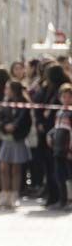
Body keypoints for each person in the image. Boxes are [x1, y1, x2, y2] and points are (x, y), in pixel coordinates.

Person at [0, 80, 32, 210]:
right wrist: (4, 127)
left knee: (16, 168)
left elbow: (25, 121)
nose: (6, 91)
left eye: (8, 88)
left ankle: (14, 195)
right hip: (6, 139)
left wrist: (14, 127)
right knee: (3, 167)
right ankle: (5, 193)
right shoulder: (6, 103)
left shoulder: (24, 104)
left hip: (17, 139)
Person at [47, 82, 72, 210]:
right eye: (64, 97)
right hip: (58, 150)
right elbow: (57, 128)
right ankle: (62, 200)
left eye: (69, 97)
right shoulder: (60, 112)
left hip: (68, 151)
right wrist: (50, 135)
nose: (66, 99)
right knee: (59, 176)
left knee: (69, 177)